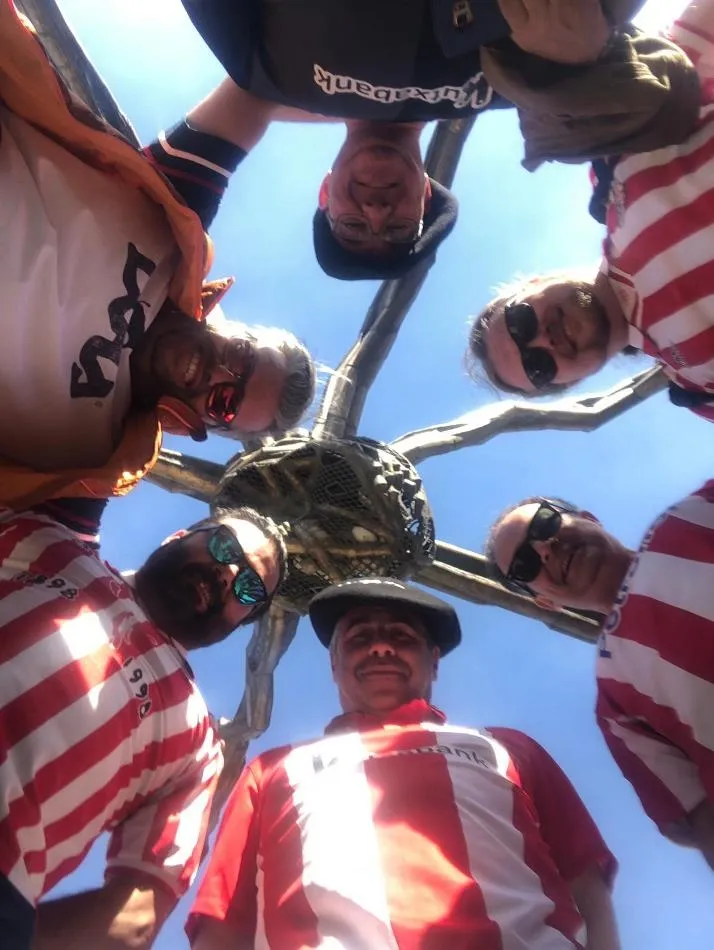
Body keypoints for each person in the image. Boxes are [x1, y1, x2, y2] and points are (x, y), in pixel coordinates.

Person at [186, 577, 620, 950]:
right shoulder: (272, 769)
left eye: (402, 637)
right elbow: (223, 919)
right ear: (334, 665)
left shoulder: (507, 748)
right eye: (359, 638)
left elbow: (586, 881)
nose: (380, 647)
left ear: (434, 662)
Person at [0, 0, 315, 511]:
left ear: (200, 425)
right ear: (233, 328)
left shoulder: (87, 462)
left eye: (226, 401)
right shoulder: (172, 228)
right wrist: (386, 132)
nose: (220, 373)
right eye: (242, 355)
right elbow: (256, 92)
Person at [180, 0, 700, 281]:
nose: (376, 213)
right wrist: (579, 57)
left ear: (325, 193)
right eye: (398, 227)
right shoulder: (513, 87)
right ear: (426, 194)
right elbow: (673, 91)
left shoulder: (268, 73)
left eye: (353, 227)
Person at [0, 495, 287, 950]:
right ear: (179, 536)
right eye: (225, 547)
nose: (230, 574)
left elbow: (138, 912)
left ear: (241, 622)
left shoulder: (197, 745)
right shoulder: (48, 541)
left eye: (249, 590)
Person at [467, 0, 714, 420]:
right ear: (573, 382)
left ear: (534, 281)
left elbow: (699, 37)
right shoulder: (700, 387)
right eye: (539, 368)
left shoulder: (616, 159)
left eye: (521, 321)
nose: (542, 341)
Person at [486, 485, 714, 869]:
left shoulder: (693, 515)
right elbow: (696, 817)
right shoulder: (613, 701)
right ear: (545, 601)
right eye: (525, 565)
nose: (544, 549)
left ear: (588, 518)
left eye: (544, 524)